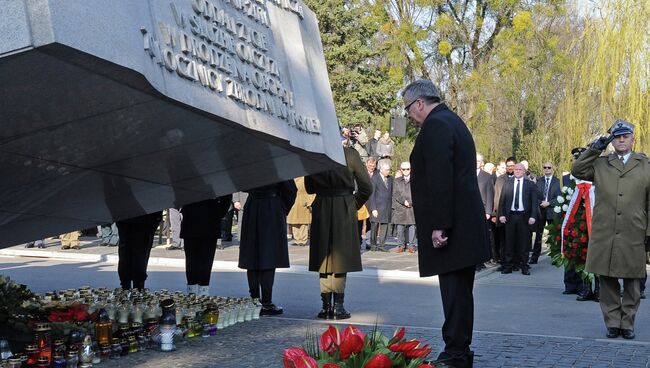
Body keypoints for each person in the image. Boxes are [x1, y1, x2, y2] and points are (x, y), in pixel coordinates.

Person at [403, 79, 489, 368]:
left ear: (419, 103)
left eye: (408, 109)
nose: (409, 117)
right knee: (460, 294)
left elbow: (441, 178)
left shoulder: (437, 125)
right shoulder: (452, 121)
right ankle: (459, 350)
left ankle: (455, 352)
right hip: (464, 225)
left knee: (454, 293)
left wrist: (439, 225)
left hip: (453, 229)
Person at [572, 119, 650, 340]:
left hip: (634, 231)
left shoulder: (645, 165)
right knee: (606, 280)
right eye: (617, 137)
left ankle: (628, 323)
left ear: (633, 139)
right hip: (605, 232)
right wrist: (596, 147)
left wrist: (649, 233)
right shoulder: (600, 164)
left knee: (633, 282)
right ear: (612, 141)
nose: (621, 140)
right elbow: (577, 170)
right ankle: (612, 322)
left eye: (625, 136)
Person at [305, 142, 372, 320]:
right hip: (344, 205)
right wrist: (353, 204)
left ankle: (326, 306)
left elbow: (309, 187)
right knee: (341, 256)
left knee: (323, 255)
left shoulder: (315, 151)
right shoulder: (350, 154)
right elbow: (366, 187)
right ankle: (338, 307)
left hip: (322, 206)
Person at [238, 181, 297, 315]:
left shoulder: (250, 161)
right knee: (268, 255)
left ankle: (254, 300)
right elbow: (291, 190)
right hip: (272, 206)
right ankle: (266, 302)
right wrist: (281, 208)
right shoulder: (277, 160)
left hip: (253, 205)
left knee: (252, 256)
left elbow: (241, 183)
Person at [180, 195, 232, 296]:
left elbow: (226, 196)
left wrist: (218, 212)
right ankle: (192, 290)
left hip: (209, 219)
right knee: (192, 260)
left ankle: (203, 290)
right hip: (193, 218)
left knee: (205, 260)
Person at [498, 163, 539, 275]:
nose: (517, 171)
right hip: (510, 216)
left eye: (520, 169)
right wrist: (501, 215)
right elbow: (502, 200)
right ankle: (508, 266)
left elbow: (534, 202)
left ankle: (524, 266)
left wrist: (533, 216)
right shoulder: (507, 183)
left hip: (524, 217)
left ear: (524, 171)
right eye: (515, 169)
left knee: (524, 242)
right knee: (509, 242)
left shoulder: (530, 185)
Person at [115, 211, 163, 290]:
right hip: (144, 216)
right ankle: (137, 286)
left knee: (125, 250)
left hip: (124, 215)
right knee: (140, 252)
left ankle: (126, 285)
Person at [531, 162, 560, 264]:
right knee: (538, 235)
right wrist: (541, 203)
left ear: (553, 169)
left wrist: (549, 203)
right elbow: (534, 196)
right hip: (540, 211)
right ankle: (534, 257)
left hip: (552, 211)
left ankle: (555, 257)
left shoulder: (557, 182)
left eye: (549, 167)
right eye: (545, 167)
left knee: (553, 235)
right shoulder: (539, 181)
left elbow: (559, 198)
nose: (547, 169)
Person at [367, 161, 393, 252]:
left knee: (385, 225)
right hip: (377, 206)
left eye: (389, 170)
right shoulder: (375, 178)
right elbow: (372, 194)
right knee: (374, 225)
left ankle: (382, 245)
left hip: (387, 206)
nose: (388, 172)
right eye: (386, 170)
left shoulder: (390, 179)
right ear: (381, 170)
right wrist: (373, 208)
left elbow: (391, 192)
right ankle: (373, 244)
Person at [392, 162, 416, 253]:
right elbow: (396, 193)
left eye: (408, 169)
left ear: (411, 169)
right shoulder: (397, 181)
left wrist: (411, 202)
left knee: (412, 227)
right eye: (404, 169)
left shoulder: (416, 180)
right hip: (401, 208)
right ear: (401, 170)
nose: (406, 171)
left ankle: (411, 246)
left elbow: (418, 192)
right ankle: (401, 245)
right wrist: (404, 202)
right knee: (400, 228)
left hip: (412, 207)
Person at [476, 154, 495, 266]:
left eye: (478, 161)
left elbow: (490, 194)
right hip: (469, 210)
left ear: (481, 163)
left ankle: (481, 261)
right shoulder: (466, 173)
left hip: (482, 210)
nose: (476, 163)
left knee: (482, 236)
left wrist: (488, 211)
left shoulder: (487, 176)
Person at [287, 177, 315, 246]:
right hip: (295, 200)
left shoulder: (306, 178)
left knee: (303, 222)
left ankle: (302, 240)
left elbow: (311, 190)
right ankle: (297, 239)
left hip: (303, 199)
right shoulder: (293, 178)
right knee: (294, 222)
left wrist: (310, 201)